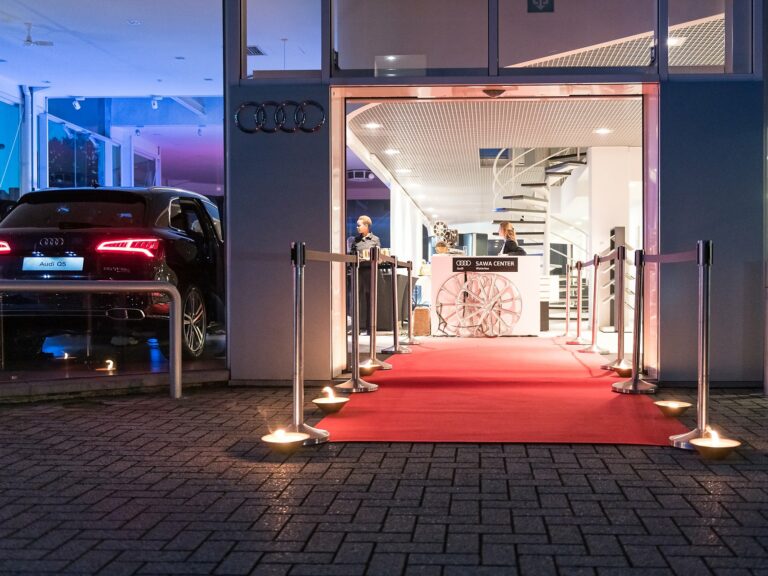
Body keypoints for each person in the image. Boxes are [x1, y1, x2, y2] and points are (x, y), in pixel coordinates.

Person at [347, 215, 381, 335]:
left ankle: (370, 328)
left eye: (359, 225)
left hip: (370, 272)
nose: (357, 227)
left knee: (370, 300)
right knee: (356, 300)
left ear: (366, 226)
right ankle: (356, 328)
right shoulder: (355, 241)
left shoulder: (375, 240)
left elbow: (378, 255)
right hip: (357, 272)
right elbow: (350, 256)